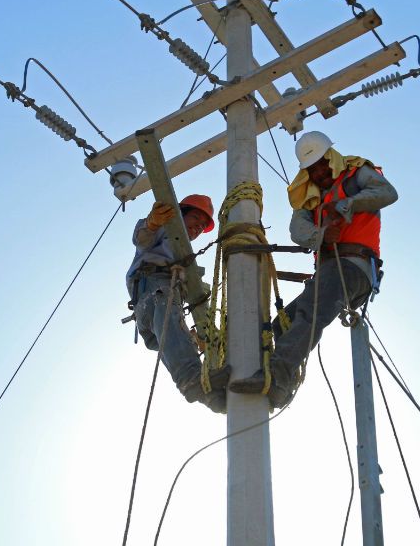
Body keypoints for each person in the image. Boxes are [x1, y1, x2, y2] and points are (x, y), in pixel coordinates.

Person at [228, 131, 397, 408]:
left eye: (322, 165)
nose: (319, 173)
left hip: (354, 267)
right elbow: (297, 229)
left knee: (309, 313)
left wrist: (345, 205)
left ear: (332, 158)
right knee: (283, 325)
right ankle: (280, 383)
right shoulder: (309, 196)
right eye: (312, 169)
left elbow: (387, 192)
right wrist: (320, 235)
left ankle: (277, 379)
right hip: (330, 271)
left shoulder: (357, 175)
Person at [127, 194, 231, 413]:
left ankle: (208, 393)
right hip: (153, 288)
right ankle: (191, 379)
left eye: (203, 226)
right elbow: (142, 239)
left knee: (174, 334)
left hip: (155, 306)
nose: (198, 228)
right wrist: (152, 222)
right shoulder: (164, 230)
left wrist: (201, 334)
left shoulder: (185, 256)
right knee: (170, 321)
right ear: (181, 213)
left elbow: (195, 292)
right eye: (195, 219)